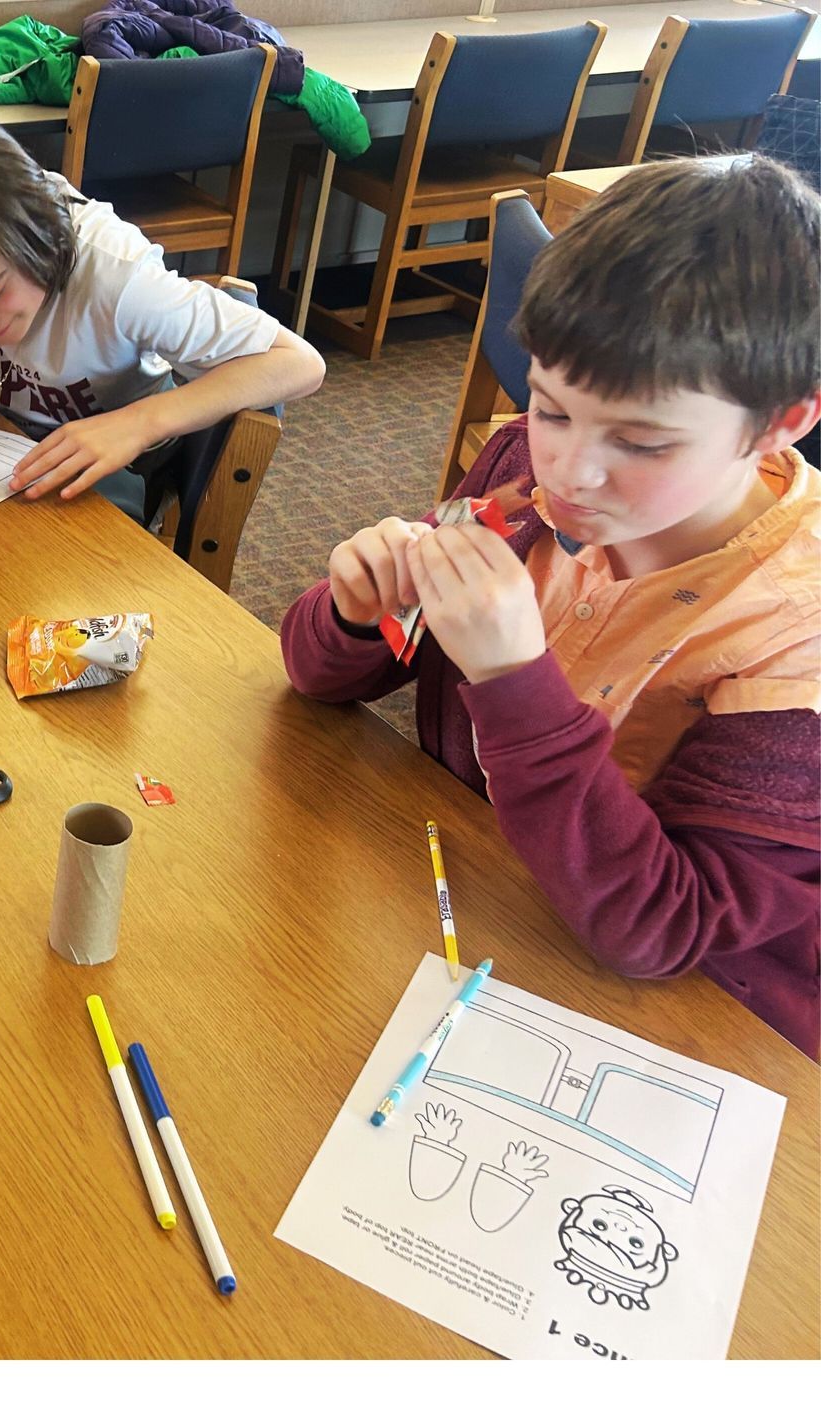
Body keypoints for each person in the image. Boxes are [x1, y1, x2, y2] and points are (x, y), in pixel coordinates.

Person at [280, 157, 821, 1055]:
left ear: (779, 425)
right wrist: (352, 609)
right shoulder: (524, 477)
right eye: (550, 407)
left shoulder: (791, 634)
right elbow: (319, 677)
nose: (571, 471)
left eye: (642, 442)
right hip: (482, 894)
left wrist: (510, 676)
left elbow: (661, 930)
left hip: (699, 1019)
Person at [0, 113, 323, 516]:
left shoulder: (116, 277)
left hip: (115, 463)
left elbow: (299, 363)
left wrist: (138, 424)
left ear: (36, 241)